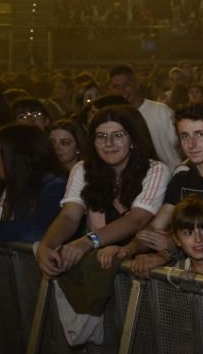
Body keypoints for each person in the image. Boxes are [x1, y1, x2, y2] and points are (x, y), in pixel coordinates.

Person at [98, 103, 203, 275]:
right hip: (189, 277)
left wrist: (173, 248)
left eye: (200, 134)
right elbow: (154, 228)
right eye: (184, 136)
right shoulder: (181, 180)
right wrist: (127, 250)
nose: (192, 144)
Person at [34, 105, 170, 278]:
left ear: (133, 140)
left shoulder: (155, 170)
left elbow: (137, 219)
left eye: (118, 135)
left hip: (139, 266)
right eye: (101, 136)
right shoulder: (82, 169)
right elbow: (69, 216)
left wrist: (89, 241)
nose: (109, 144)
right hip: (99, 265)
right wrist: (45, 246)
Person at [108, 65, 181, 171]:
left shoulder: (161, 111)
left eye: (126, 85)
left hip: (170, 180)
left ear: (136, 84)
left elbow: (181, 145)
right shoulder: (112, 119)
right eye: (116, 87)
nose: (121, 90)